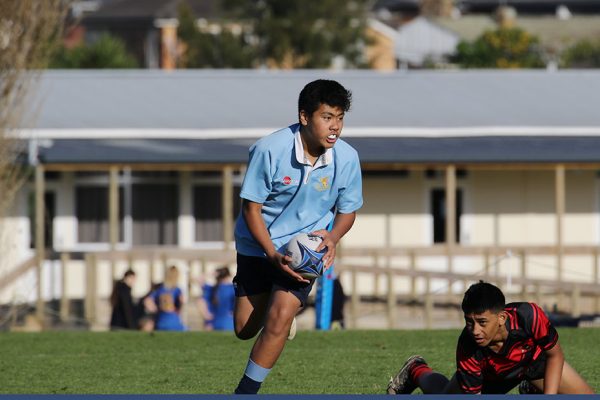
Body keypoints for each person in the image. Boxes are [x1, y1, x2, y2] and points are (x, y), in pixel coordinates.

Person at [232, 79, 363, 394]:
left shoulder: (347, 158)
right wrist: (271, 253)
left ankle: (245, 393)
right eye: (327, 117)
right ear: (305, 117)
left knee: (278, 317)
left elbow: (348, 211)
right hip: (258, 245)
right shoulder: (269, 150)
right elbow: (251, 209)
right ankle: (281, 313)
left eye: (340, 118)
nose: (335, 127)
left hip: (305, 251)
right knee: (244, 329)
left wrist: (332, 237)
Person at [387, 281, 594, 395]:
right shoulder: (467, 346)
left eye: (482, 322)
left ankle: (531, 388)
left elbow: (555, 356)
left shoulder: (530, 316)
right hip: (491, 378)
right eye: (469, 321)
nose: (475, 330)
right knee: (443, 395)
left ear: (502, 317)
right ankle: (416, 369)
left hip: (533, 365)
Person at [144, 266, 186, 331]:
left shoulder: (159, 288)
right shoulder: (177, 290)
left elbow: (147, 301)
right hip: (173, 321)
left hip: (160, 321)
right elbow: (182, 303)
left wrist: (156, 310)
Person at [199, 267, 235, 331]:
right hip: (229, 323)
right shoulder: (232, 288)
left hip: (212, 323)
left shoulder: (211, 289)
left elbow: (199, 279)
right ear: (228, 275)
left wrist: (211, 274)